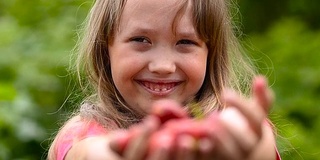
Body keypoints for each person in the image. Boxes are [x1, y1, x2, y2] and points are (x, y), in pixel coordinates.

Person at [48, 0, 281, 159]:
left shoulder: (225, 127)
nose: (163, 66)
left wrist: (251, 150)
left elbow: (260, 146)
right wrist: (117, 153)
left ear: (210, 53)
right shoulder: (85, 132)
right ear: (105, 49)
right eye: (141, 39)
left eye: (185, 42)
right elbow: (88, 153)